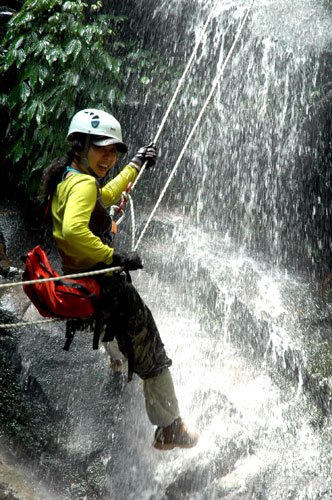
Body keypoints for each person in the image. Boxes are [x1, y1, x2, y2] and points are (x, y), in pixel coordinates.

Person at [41, 108, 198, 450]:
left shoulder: (69, 177)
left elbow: (106, 195)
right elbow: (72, 231)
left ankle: (116, 361)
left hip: (82, 281)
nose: (108, 157)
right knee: (150, 346)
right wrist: (115, 255)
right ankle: (169, 426)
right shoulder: (82, 184)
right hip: (105, 284)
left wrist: (136, 165)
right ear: (81, 145)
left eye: (113, 151)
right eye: (101, 149)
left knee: (113, 325)